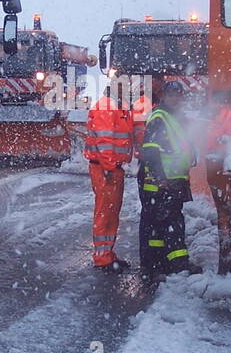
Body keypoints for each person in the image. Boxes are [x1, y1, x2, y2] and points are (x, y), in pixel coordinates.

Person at [137, 80, 201, 278]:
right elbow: (150, 150)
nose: (175, 98)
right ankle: (177, 263)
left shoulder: (175, 117)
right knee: (170, 221)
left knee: (157, 222)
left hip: (172, 180)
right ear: (164, 96)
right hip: (161, 181)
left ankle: (156, 262)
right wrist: (160, 178)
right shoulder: (159, 117)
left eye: (178, 94)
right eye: (171, 95)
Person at [84, 84, 136, 272]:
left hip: (111, 168)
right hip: (106, 169)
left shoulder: (115, 106)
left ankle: (107, 254)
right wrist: (109, 167)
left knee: (110, 214)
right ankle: (102, 257)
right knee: (105, 213)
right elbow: (104, 141)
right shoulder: (106, 107)